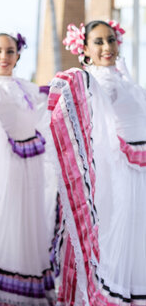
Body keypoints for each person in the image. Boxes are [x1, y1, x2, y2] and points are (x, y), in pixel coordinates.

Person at [52, 20, 146, 305]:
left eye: (111, 40)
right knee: (120, 234)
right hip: (122, 173)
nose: (107, 47)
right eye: (99, 42)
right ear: (84, 48)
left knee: (138, 239)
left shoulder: (123, 78)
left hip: (140, 169)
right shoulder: (93, 81)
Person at [0, 32, 56, 305]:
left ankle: (28, 281)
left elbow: (43, 103)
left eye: (10, 51)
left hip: (30, 161)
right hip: (5, 164)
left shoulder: (25, 86)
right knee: (4, 218)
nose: (4, 57)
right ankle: (1, 290)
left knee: (29, 219)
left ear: (18, 55)